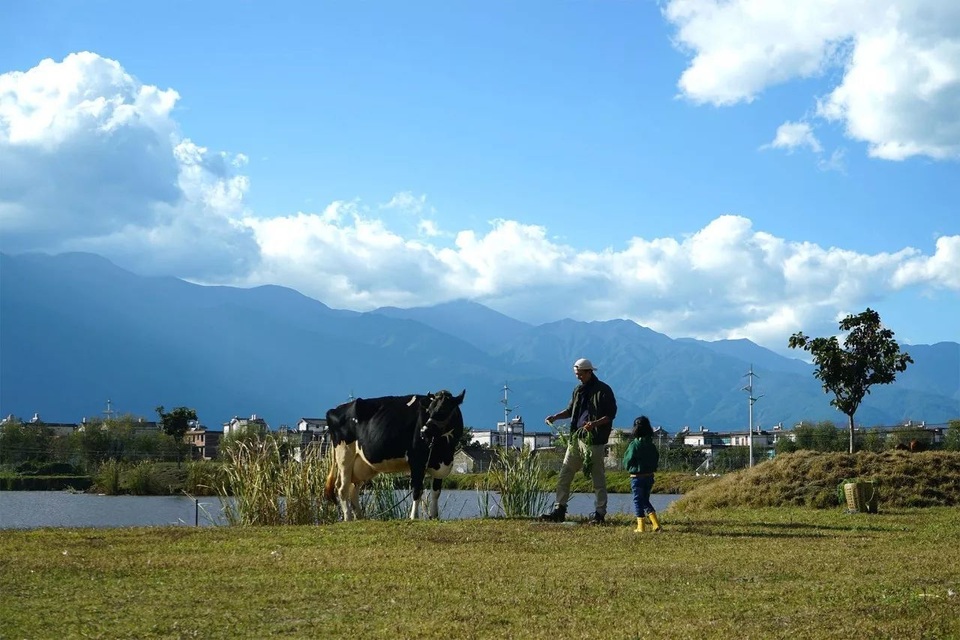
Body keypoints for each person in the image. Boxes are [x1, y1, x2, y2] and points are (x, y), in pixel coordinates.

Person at [540, 358, 617, 524]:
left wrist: (594, 424)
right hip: (576, 439)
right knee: (564, 475)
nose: (578, 377)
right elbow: (570, 411)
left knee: (598, 479)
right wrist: (556, 417)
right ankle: (559, 509)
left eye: (580, 374)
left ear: (589, 372)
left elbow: (610, 415)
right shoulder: (577, 390)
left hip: (594, 441)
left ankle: (599, 514)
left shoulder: (603, 390)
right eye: (576, 374)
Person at [622, 415, 662, 532]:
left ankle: (641, 526)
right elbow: (655, 458)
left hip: (637, 478)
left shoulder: (634, 445)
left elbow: (627, 460)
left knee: (638, 500)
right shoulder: (651, 445)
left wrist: (629, 468)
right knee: (645, 499)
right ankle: (655, 523)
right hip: (649, 476)